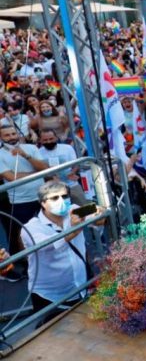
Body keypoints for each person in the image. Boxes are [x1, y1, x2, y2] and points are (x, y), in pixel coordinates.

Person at [21, 181, 103, 325]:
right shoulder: (30, 228)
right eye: (54, 198)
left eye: (65, 196)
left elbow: (99, 216)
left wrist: (99, 212)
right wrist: (74, 228)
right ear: (42, 203)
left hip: (80, 286)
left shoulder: (74, 210)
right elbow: (49, 245)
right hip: (49, 296)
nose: (61, 201)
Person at [0, 125, 48, 266]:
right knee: (23, 234)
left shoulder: (31, 148)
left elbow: (44, 168)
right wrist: (36, 173)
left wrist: (25, 155)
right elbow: (11, 177)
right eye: (7, 135)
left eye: (13, 133)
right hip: (20, 201)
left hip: (42, 196)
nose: (12, 137)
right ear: (1, 138)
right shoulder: (0, 154)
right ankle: (30, 264)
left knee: (49, 228)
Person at [38, 129, 86, 205]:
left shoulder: (67, 148)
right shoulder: (38, 152)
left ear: (56, 138)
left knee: (84, 208)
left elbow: (76, 164)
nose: (49, 142)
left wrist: (72, 172)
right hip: (51, 190)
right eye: (45, 140)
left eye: (51, 139)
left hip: (72, 185)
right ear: (40, 140)